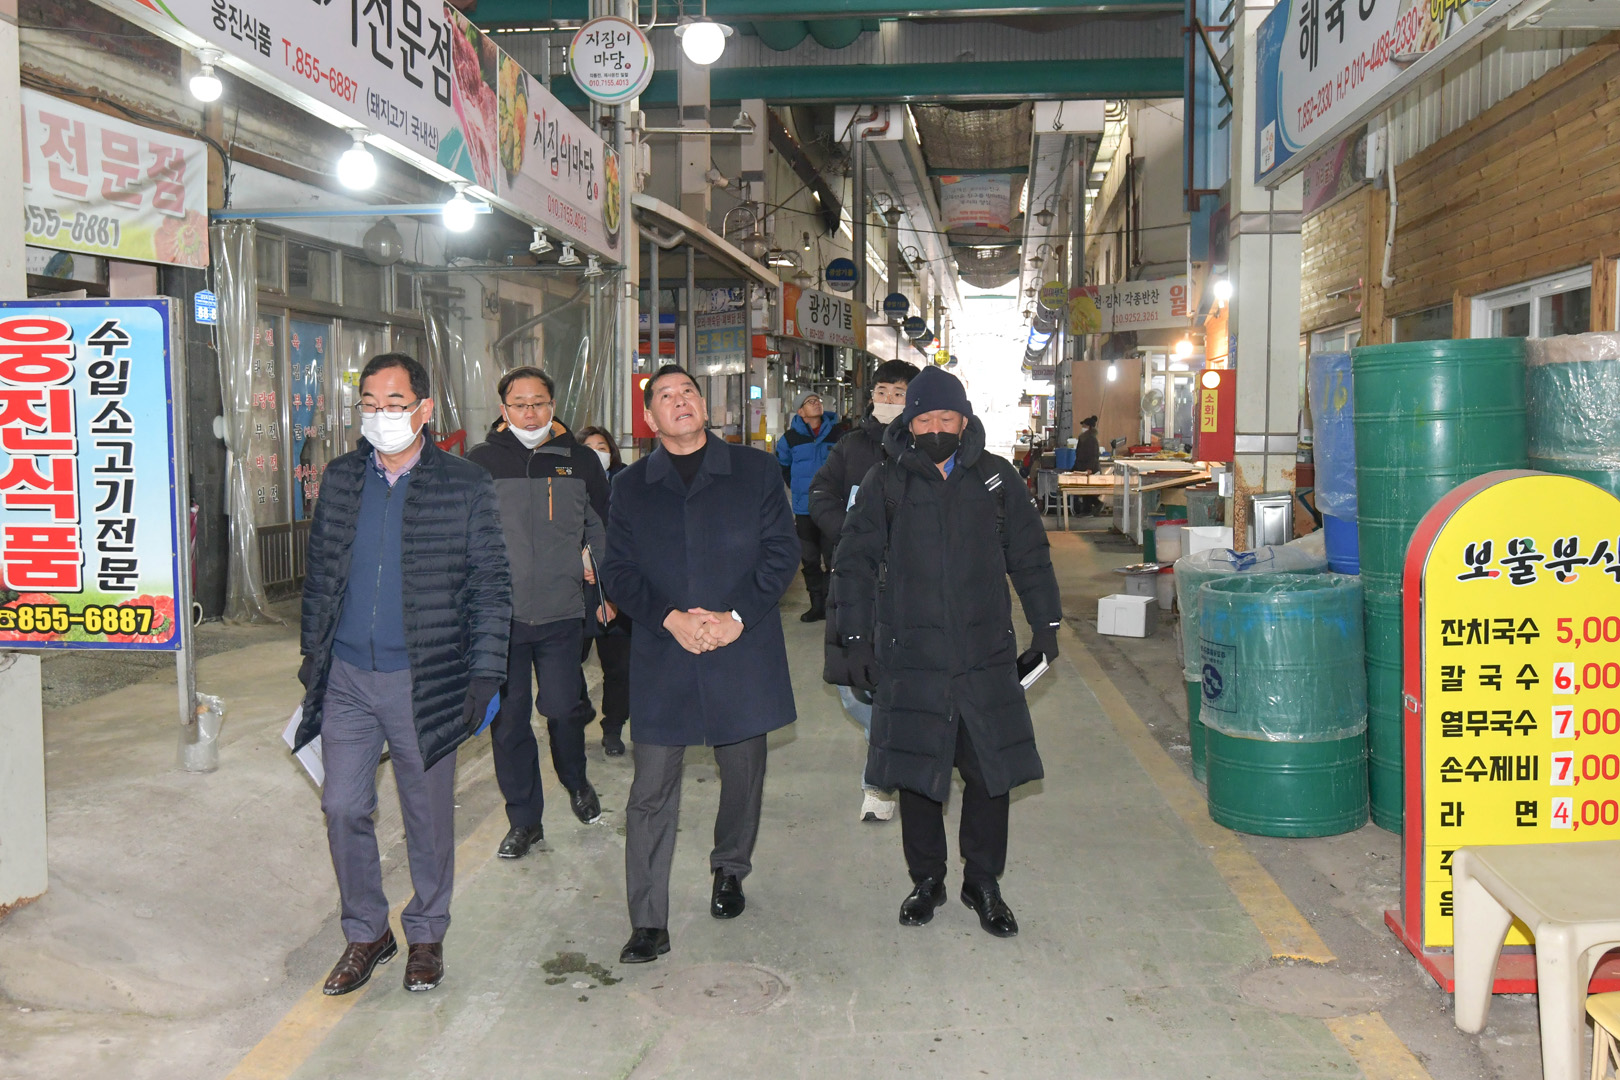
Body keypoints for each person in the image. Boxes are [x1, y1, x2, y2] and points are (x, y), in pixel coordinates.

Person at [293, 352, 511, 995]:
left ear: (424, 409)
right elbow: (321, 574)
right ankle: (367, 932)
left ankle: (426, 932)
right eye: (369, 403)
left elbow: (491, 584)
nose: (380, 415)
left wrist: (485, 674)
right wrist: (312, 654)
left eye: (394, 403)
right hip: (347, 677)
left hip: (425, 677)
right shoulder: (341, 478)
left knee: (427, 815)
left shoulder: (464, 484)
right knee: (342, 806)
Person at [828, 365, 1062, 939]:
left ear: (964, 421)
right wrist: (855, 641)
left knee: (989, 774)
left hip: (984, 655)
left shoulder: (997, 480)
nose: (936, 428)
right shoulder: (886, 482)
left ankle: (982, 882)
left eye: (946, 418)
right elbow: (853, 564)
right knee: (919, 775)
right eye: (925, 418)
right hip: (911, 656)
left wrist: (1046, 627)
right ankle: (927, 879)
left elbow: (1030, 557)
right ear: (909, 423)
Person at [599, 365, 800, 965]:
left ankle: (730, 867)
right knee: (650, 789)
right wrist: (670, 618)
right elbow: (618, 572)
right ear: (650, 419)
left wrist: (737, 616)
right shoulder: (630, 487)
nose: (680, 400)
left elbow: (781, 551)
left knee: (742, 774)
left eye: (688, 391)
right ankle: (647, 921)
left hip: (741, 646)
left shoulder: (756, 471)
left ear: (705, 408)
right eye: (665, 396)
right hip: (665, 653)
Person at [467, 368, 611, 862]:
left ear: (553, 404)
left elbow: (602, 527)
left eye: (539, 402)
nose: (530, 413)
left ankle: (575, 779)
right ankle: (524, 821)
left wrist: (605, 587)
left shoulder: (580, 460)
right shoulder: (481, 463)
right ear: (504, 410)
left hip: (561, 613)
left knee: (563, 709)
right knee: (508, 724)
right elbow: (466, 537)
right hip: (500, 620)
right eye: (520, 404)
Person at [807, 358, 919, 824]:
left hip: (914, 584)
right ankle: (894, 751)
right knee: (854, 689)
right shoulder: (851, 446)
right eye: (883, 392)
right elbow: (820, 495)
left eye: (900, 393)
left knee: (910, 681)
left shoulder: (927, 446)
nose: (889, 400)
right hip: (857, 581)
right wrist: (853, 534)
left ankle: (880, 782)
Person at [578, 425, 631, 757]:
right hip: (575, 589)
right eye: (589, 447)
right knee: (567, 660)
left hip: (615, 586)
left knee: (619, 666)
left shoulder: (626, 486)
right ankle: (579, 708)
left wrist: (608, 575)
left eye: (602, 447)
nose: (597, 453)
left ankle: (613, 727)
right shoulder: (565, 485)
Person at [774, 390, 844, 622]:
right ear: (800, 411)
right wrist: (796, 487)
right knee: (810, 558)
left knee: (833, 559)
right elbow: (783, 466)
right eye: (810, 402)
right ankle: (817, 605)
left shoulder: (838, 433)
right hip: (804, 509)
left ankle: (832, 605)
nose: (816, 404)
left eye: (818, 401)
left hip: (832, 507)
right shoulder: (790, 439)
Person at [1076, 415, 1104, 515]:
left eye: (1084, 426)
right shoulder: (1083, 438)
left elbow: (1094, 456)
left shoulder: (1091, 439)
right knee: (1084, 490)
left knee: (1087, 490)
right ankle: (1089, 508)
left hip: (1089, 468)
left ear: (1089, 427)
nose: (1083, 428)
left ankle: (1091, 508)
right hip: (1083, 467)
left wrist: (1089, 468)